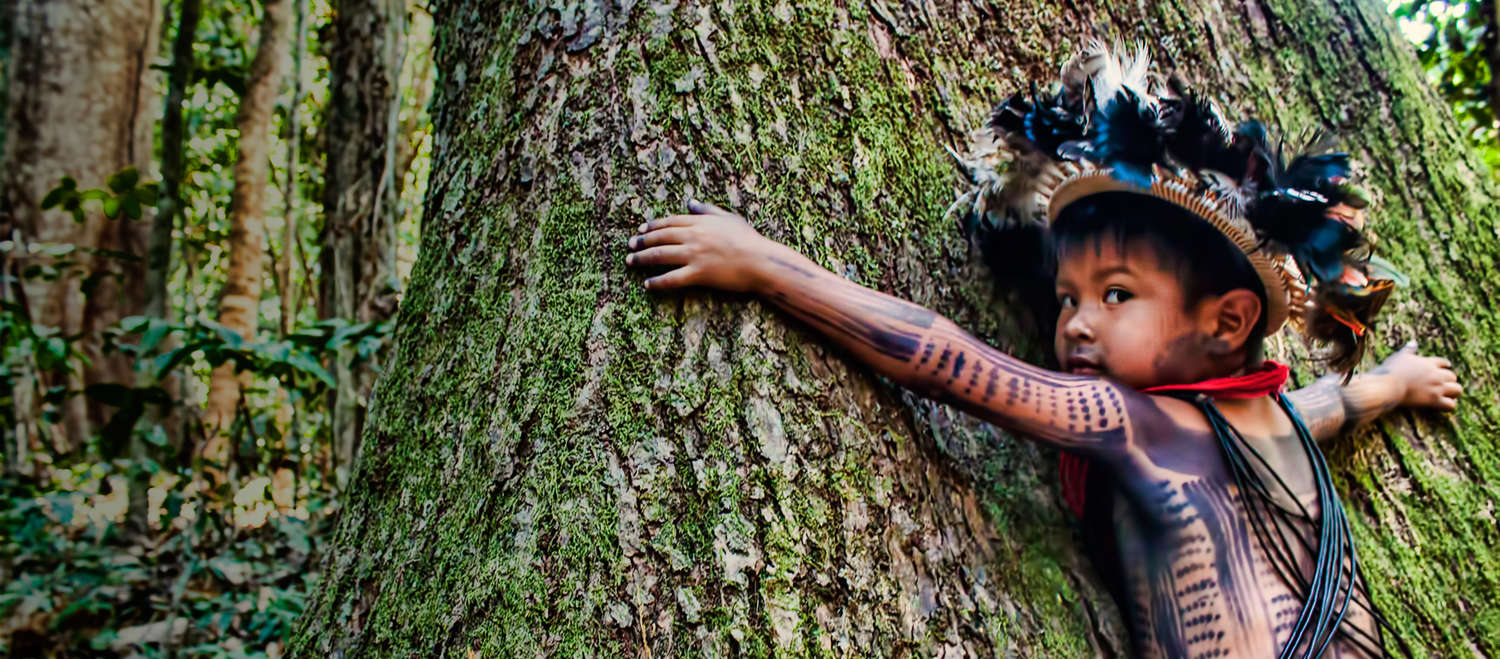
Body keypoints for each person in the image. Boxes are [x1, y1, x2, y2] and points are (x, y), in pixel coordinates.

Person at [623, 43, 1461, 658]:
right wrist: (764, 265)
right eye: (1067, 299)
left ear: (1228, 320)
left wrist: (1395, 382)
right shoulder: (1153, 424)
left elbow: (942, 354)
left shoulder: (1230, 425)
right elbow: (1336, 405)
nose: (1076, 323)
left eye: (1116, 294)